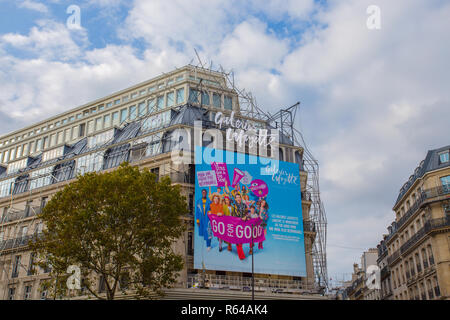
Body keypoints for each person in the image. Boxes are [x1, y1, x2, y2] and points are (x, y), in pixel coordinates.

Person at [231, 193, 248, 260]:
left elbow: (247, 213)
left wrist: (246, 217)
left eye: (239, 197)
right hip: (236, 224)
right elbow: (233, 215)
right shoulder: (233, 206)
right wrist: (240, 218)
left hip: (243, 224)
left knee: (241, 238)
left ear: (241, 198)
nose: (238, 198)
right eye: (237, 197)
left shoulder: (244, 205)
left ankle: (240, 253)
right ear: (235, 199)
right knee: (238, 240)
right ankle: (241, 255)